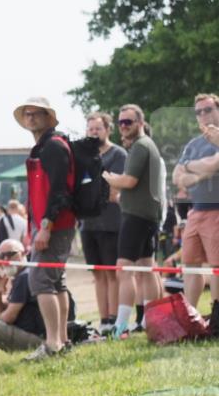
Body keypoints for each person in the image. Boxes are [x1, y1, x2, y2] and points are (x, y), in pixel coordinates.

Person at [15, 97, 76, 360]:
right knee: (56, 281)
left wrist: (46, 226)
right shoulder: (46, 146)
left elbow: (60, 191)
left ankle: (52, 344)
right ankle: (60, 340)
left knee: (40, 281)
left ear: (47, 117)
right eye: (27, 114)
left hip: (54, 225)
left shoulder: (53, 146)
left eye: (36, 113)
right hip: (54, 224)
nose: (30, 118)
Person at [0, 239, 73, 363]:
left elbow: (6, 318)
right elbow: (1, 315)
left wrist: (1, 311)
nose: (6, 260)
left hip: (38, 340)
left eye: (10, 254)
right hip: (37, 335)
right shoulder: (25, 274)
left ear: (24, 253)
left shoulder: (25, 277)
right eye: (2, 256)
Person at [104, 105, 163, 338]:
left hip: (136, 217)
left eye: (128, 121)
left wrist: (107, 177)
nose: (123, 126)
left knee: (124, 270)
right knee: (148, 269)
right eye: (120, 122)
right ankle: (150, 320)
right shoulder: (146, 145)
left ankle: (120, 326)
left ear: (140, 122)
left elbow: (129, 181)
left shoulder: (140, 146)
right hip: (145, 215)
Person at [78, 112, 127, 335]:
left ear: (107, 130)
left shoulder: (118, 154)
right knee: (97, 274)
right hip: (88, 225)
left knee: (112, 273)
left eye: (98, 129)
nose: (93, 133)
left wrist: (94, 191)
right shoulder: (83, 154)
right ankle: (103, 320)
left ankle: (115, 318)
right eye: (90, 129)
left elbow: (116, 189)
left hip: (111, 223)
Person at [173, 93, 219, 316]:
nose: (203, 115)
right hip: (196, 211)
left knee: (217, 267)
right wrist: (199, 171)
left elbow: (215, 164)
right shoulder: (193, 144)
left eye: (208, 109)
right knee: (190, 265)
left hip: (217, 210)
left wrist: (190, 168)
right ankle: (190, 316)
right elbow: (176, 176)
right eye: (198, 112)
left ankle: (217, 316)